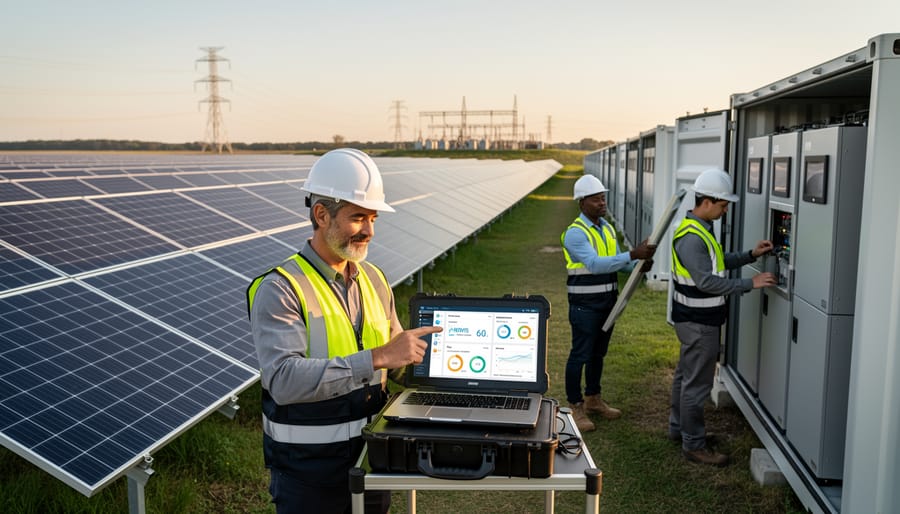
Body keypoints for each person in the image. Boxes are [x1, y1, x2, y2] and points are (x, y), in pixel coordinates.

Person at [247, 148, 441, 514]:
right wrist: (377, 358)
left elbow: (398, 362)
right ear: (322, 215)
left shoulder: (374, 278)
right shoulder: (281, 288)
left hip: (372, 461)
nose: (368, 230)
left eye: (373, 218)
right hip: (309, 476)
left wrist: (455, 369)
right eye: (358, 218)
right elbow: (283, 380)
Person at [668, 168, 777, 466]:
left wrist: (749, 255)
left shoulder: (700, 228)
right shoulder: (692, 237)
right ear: (708, 201)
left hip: (693, 320)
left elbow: (716, 263)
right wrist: (749, 284)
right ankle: (694, 445)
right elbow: (708, 282)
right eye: (723, 204)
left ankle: (680, 430)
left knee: (684, 378)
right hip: (699, 323)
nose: (726, 209)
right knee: (696, 385)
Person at [561, 174, 657, 433]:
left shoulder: (606, 228)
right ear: (582, 203)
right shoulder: (575, 234)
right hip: (584, 305)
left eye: (603, 197)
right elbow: (594, 264)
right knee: (580, 354)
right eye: (595, 199)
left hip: (607, 302)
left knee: (597, 354)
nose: (602, 203)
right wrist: (632, 253)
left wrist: (638, 263)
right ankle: (575, 406)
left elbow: (619, 262)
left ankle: (593, 400)